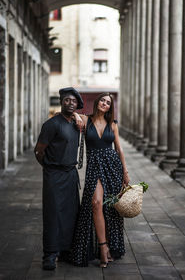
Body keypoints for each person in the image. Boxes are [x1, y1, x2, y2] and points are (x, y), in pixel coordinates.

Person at [72, 92, 130, 268]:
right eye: (103, 100)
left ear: (110, 107)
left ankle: (110, 247)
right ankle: (103, 248)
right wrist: (75, 115)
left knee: (110, 208)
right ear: (97, 102)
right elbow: (62, 113)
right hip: (94, 166)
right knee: (96, 203)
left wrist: (125, 172)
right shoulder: (85, 119)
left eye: (108, 102)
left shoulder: (112, 124)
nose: (105, 103)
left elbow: (119, 150)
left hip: (112, 166)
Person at [34, 87, 84, 270]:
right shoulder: (51, 124)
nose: (70, 103)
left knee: (70, 213)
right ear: (61, 102)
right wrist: (50, 168)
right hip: (54, 174)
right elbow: (39, 151)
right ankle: (49, 254)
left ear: (77, 104)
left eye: (74, 101)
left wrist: (78, 116)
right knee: (52, 214)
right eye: (67, 100)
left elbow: (94, 118)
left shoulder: (76, 123)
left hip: (70, 174)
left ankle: (65, 251)